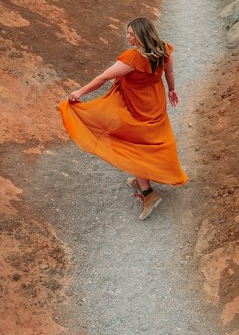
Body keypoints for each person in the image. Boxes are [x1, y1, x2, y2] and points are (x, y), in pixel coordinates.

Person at [59, 17, 186, 220]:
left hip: (135, 105)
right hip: (154, 102)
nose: (127, 36)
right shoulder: (163, 50)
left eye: (131, 34)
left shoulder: (132, 58)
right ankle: (143, 178)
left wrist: (79, 92)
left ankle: (149, 195)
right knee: (149, 141)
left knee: (133, 145)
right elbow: (169, 72)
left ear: (140, 36)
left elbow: (103, 77)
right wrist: (171, 90)